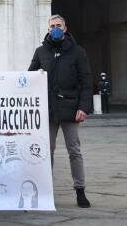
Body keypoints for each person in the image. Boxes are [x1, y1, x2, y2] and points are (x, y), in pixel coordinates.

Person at [28, 14, 93, 208]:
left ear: (65, 28)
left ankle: (80, 190)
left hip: (71, 109)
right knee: (47, 150)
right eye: (52, 26)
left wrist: (83, 107)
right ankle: (46, 191)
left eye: (58, 25)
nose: (55, 28)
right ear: (47, 29)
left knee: (74, 149)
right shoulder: (41, 52)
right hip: (48, 109)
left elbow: (86, 81)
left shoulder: (77, 52)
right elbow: (29, 77)